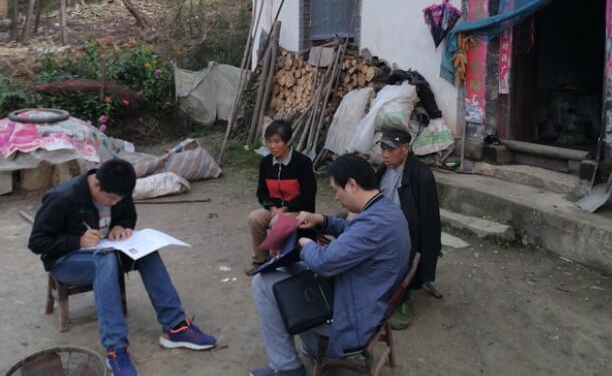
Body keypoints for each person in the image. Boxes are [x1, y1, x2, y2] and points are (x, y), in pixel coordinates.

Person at [28, 159, 216, 376]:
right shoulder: (62, 198)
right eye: (111, 199)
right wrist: (77, 241)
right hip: (66, 261)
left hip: (107, 249)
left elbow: (129, 215)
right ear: (97, 184)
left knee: (147, 252)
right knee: (104, 260)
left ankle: (176, 327)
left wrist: (122, 225)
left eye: (120, 199)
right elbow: (37, 242)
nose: (115, 203)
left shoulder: (119, 191)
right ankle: (116, 350)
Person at [249, 154, 410, 376]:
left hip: (352, 312)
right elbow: (352, 230)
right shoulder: (384, 209)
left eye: (336, 190)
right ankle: (308, 346)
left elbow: (323, 263)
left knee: (263, 283)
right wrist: (322, 221)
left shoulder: (375, 222)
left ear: (352, 185)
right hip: (359, 290)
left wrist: (305, 244)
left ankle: (287, 367)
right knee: (283, 272)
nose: (336, 197)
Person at [376, 128, 443, 330]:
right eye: (383, 149)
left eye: (391, 150)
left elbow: (429, 220)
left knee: (402, 248)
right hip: (381, 223)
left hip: (405, 231)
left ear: (405, 149)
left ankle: (403, 297)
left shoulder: (422, 176)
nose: (385, 155)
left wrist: (429, 251)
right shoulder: (383, 169)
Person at [245, 119, 317, 276]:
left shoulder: (302, 162)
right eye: (269, 142)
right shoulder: (265, 163)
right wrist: (271, 206)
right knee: (254, 218)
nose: (272, 146)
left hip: (299, 211)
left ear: (288, 141)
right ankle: (261, 261)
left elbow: (308, 194)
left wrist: (285, 208)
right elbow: (261, 192)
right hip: (275, 208)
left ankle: (280, 259)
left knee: (278, 221)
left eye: (277, 141)